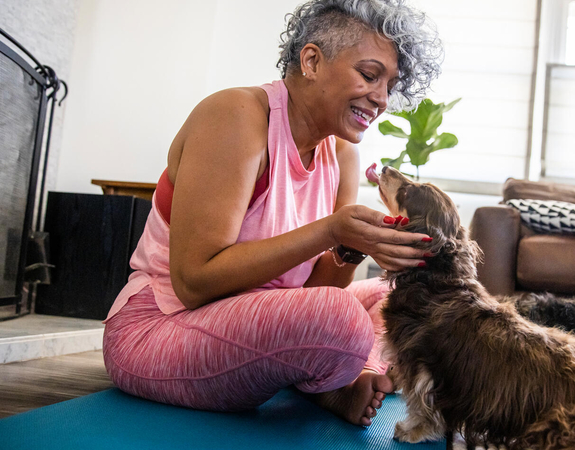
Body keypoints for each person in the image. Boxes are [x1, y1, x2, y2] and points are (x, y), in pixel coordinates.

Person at [101, 0, 442, 427]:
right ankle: (333, 378)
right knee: (340, 323)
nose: (381, 98)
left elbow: (320, 289)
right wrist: (331, 230)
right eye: (370, 75)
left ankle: (345, 377)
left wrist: (353, 247)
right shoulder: (237, 116)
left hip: (265, 319)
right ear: (312, 60)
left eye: (389, 85)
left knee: (399, 298)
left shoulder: (341, 153)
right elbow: (193, 282)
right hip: (161, 328)